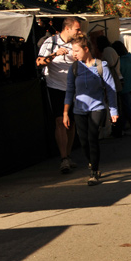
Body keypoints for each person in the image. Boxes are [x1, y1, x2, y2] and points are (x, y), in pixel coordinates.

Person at [64, 34, 119, 186]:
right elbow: (69, 90)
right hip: (79, 110)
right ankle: (91, 162)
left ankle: (94, 172)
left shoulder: (101, 66)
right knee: (83, 142)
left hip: (97, 108)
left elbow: (111, 89)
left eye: (76, 50)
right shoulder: (74, 68)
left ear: (86, 49)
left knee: (92, 138)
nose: (73, 54)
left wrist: (114, 111)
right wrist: (65, 112)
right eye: (72, 51)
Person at [37, 16, 82, 173]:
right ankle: (63, 158)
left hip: (73, 87)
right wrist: (55, 54)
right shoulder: (51, 42)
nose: (79, 31)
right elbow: (39, 62)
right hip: (55, 86)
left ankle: (68, 155)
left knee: (71, 123)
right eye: (77, 29)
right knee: (59, 121)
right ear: (67, 28)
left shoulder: (77, 43)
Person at [94, 35, 122, 136]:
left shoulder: (107, 50)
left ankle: (116, 129)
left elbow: (108, 63)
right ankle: (117, 129)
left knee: (114, 104)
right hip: (117, 77)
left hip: (113, 78)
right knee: (117, 104)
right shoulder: (111, 49)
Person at [111, 41, 131, 135]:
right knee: (126, 107)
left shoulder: (120, 61)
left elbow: (119, 74)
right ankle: (121, 128)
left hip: (125, 87)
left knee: (127, 108)